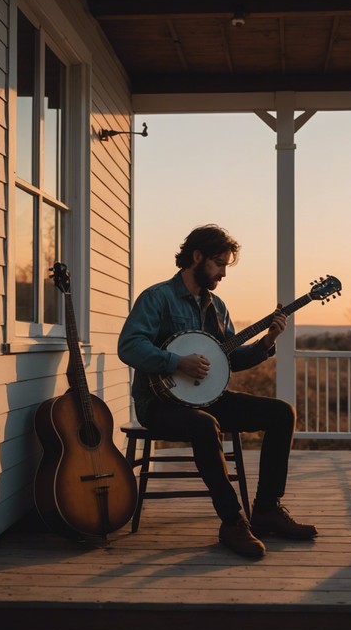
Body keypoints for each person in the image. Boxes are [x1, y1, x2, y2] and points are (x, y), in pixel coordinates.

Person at [117, 224, 317, 558]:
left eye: (226, 265)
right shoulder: (157, 298)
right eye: (219, 264)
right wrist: (175, 361)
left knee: (282, 413)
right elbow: (129, 346)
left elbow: (230, 360)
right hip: (159, 402)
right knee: (204, 424)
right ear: (197, 257)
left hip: (206, 397)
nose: (224, 272)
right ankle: (232, 522)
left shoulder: (218, 306)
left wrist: (268, 341)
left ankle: (266, 510)